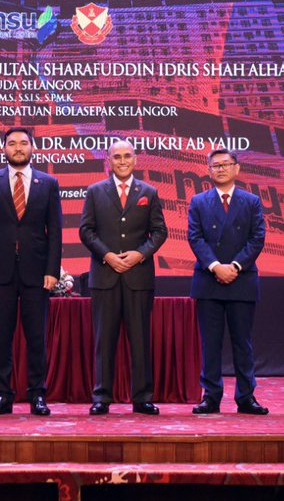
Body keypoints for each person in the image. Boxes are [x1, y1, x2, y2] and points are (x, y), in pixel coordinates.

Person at [0, 126, 63, 416]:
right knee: (2, 335)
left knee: (36, 335)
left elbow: (56, 232)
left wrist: (53, 270)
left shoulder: (48, 183)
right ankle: (3, 395)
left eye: (24, 143)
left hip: (37, 272)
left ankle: (38, 395)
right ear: (4, 149)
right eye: (12, 143)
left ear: (32, 147)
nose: (18, 148)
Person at [80, 139, 168, 415]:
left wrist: (139, 254)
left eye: (127, 156)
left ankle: (142, 398)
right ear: (108, 160)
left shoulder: (149, 192)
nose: (121, 161)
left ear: (135, 160)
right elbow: (86, 231)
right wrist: (107, 255)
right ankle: (101, 397)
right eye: (116, 156)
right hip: (104, 276)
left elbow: (159, 232)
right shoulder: (95, 192)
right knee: (103, 340)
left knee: (140, 339)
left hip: (138, 276)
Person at [186, 148, 268, 415]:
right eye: (215, 166)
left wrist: (233, 266)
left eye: (225, 164)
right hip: (208, 281)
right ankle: (210, 396)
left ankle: (246, 396)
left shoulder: (251, 201)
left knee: (242, 342)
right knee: (210, 343)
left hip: (241, 279)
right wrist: (215, 266)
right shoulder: (198, 201)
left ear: (236, 168)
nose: (220, 169)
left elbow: (257, 239)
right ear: (209, 171)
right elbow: (195, 238)